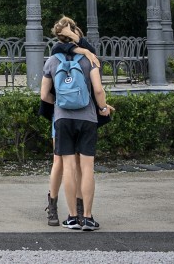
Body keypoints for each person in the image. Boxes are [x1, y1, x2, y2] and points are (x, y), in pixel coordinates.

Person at [40, 16, 114, 231]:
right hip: (87, 117)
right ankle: (87, 217)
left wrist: (61, 103)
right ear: (74, 34)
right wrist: (103, 108)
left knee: (67, 166)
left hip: (62, 118)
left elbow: (44, 94)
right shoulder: (88, 59)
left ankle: (72, 216)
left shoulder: (52, 60)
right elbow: (98, 90)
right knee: (86, 167)